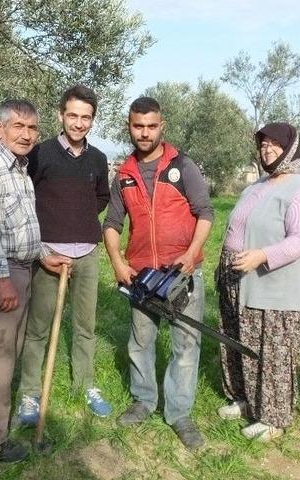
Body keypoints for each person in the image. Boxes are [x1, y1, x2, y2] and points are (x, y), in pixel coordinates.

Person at [0, 99, 70, 463]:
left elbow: (19, 226)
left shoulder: (19, 168)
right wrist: (1, 279)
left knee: (1, 354)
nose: (26, 135)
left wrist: (42, 254)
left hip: (21, 269)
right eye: (18, 127)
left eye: (31, 128)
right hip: (0, 274)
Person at [103, 96, 214, 450]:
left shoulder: (183, 166)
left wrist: (190, 253)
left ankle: (180, 413)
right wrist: (117, 262)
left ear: (161, 126)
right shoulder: (124, 175)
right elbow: (112, 223)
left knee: (186, 344)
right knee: (141, 342)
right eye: (138, 126)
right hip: (142, 277)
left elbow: (206, 213)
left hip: (182, 274)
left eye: (151, 126)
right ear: (129, 126)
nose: (145, 132)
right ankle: (143, 400)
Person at [216, 123, 300, 442]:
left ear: (291, 147)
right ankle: (245, 400)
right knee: (238, 341)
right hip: (237, 278)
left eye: (275, 144)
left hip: (271, 284)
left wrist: (262, 255)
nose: (267, 149)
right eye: (263, 144)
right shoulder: (258, 185)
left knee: (271, 350)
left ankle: (273, 417)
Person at [15, 85, 112, 425]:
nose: (78, 123)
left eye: (85, 117)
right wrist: (48, 238)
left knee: (85, 326)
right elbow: (26, 198)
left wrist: (80, 219)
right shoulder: (39, 155)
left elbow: (101, 198)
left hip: (87, 252)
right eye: (73, 115)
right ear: (61, 115)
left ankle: (85, 384)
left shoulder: (98, 160)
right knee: (38, 327)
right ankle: (29, 393)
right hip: (49, 255)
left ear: (92, 121)